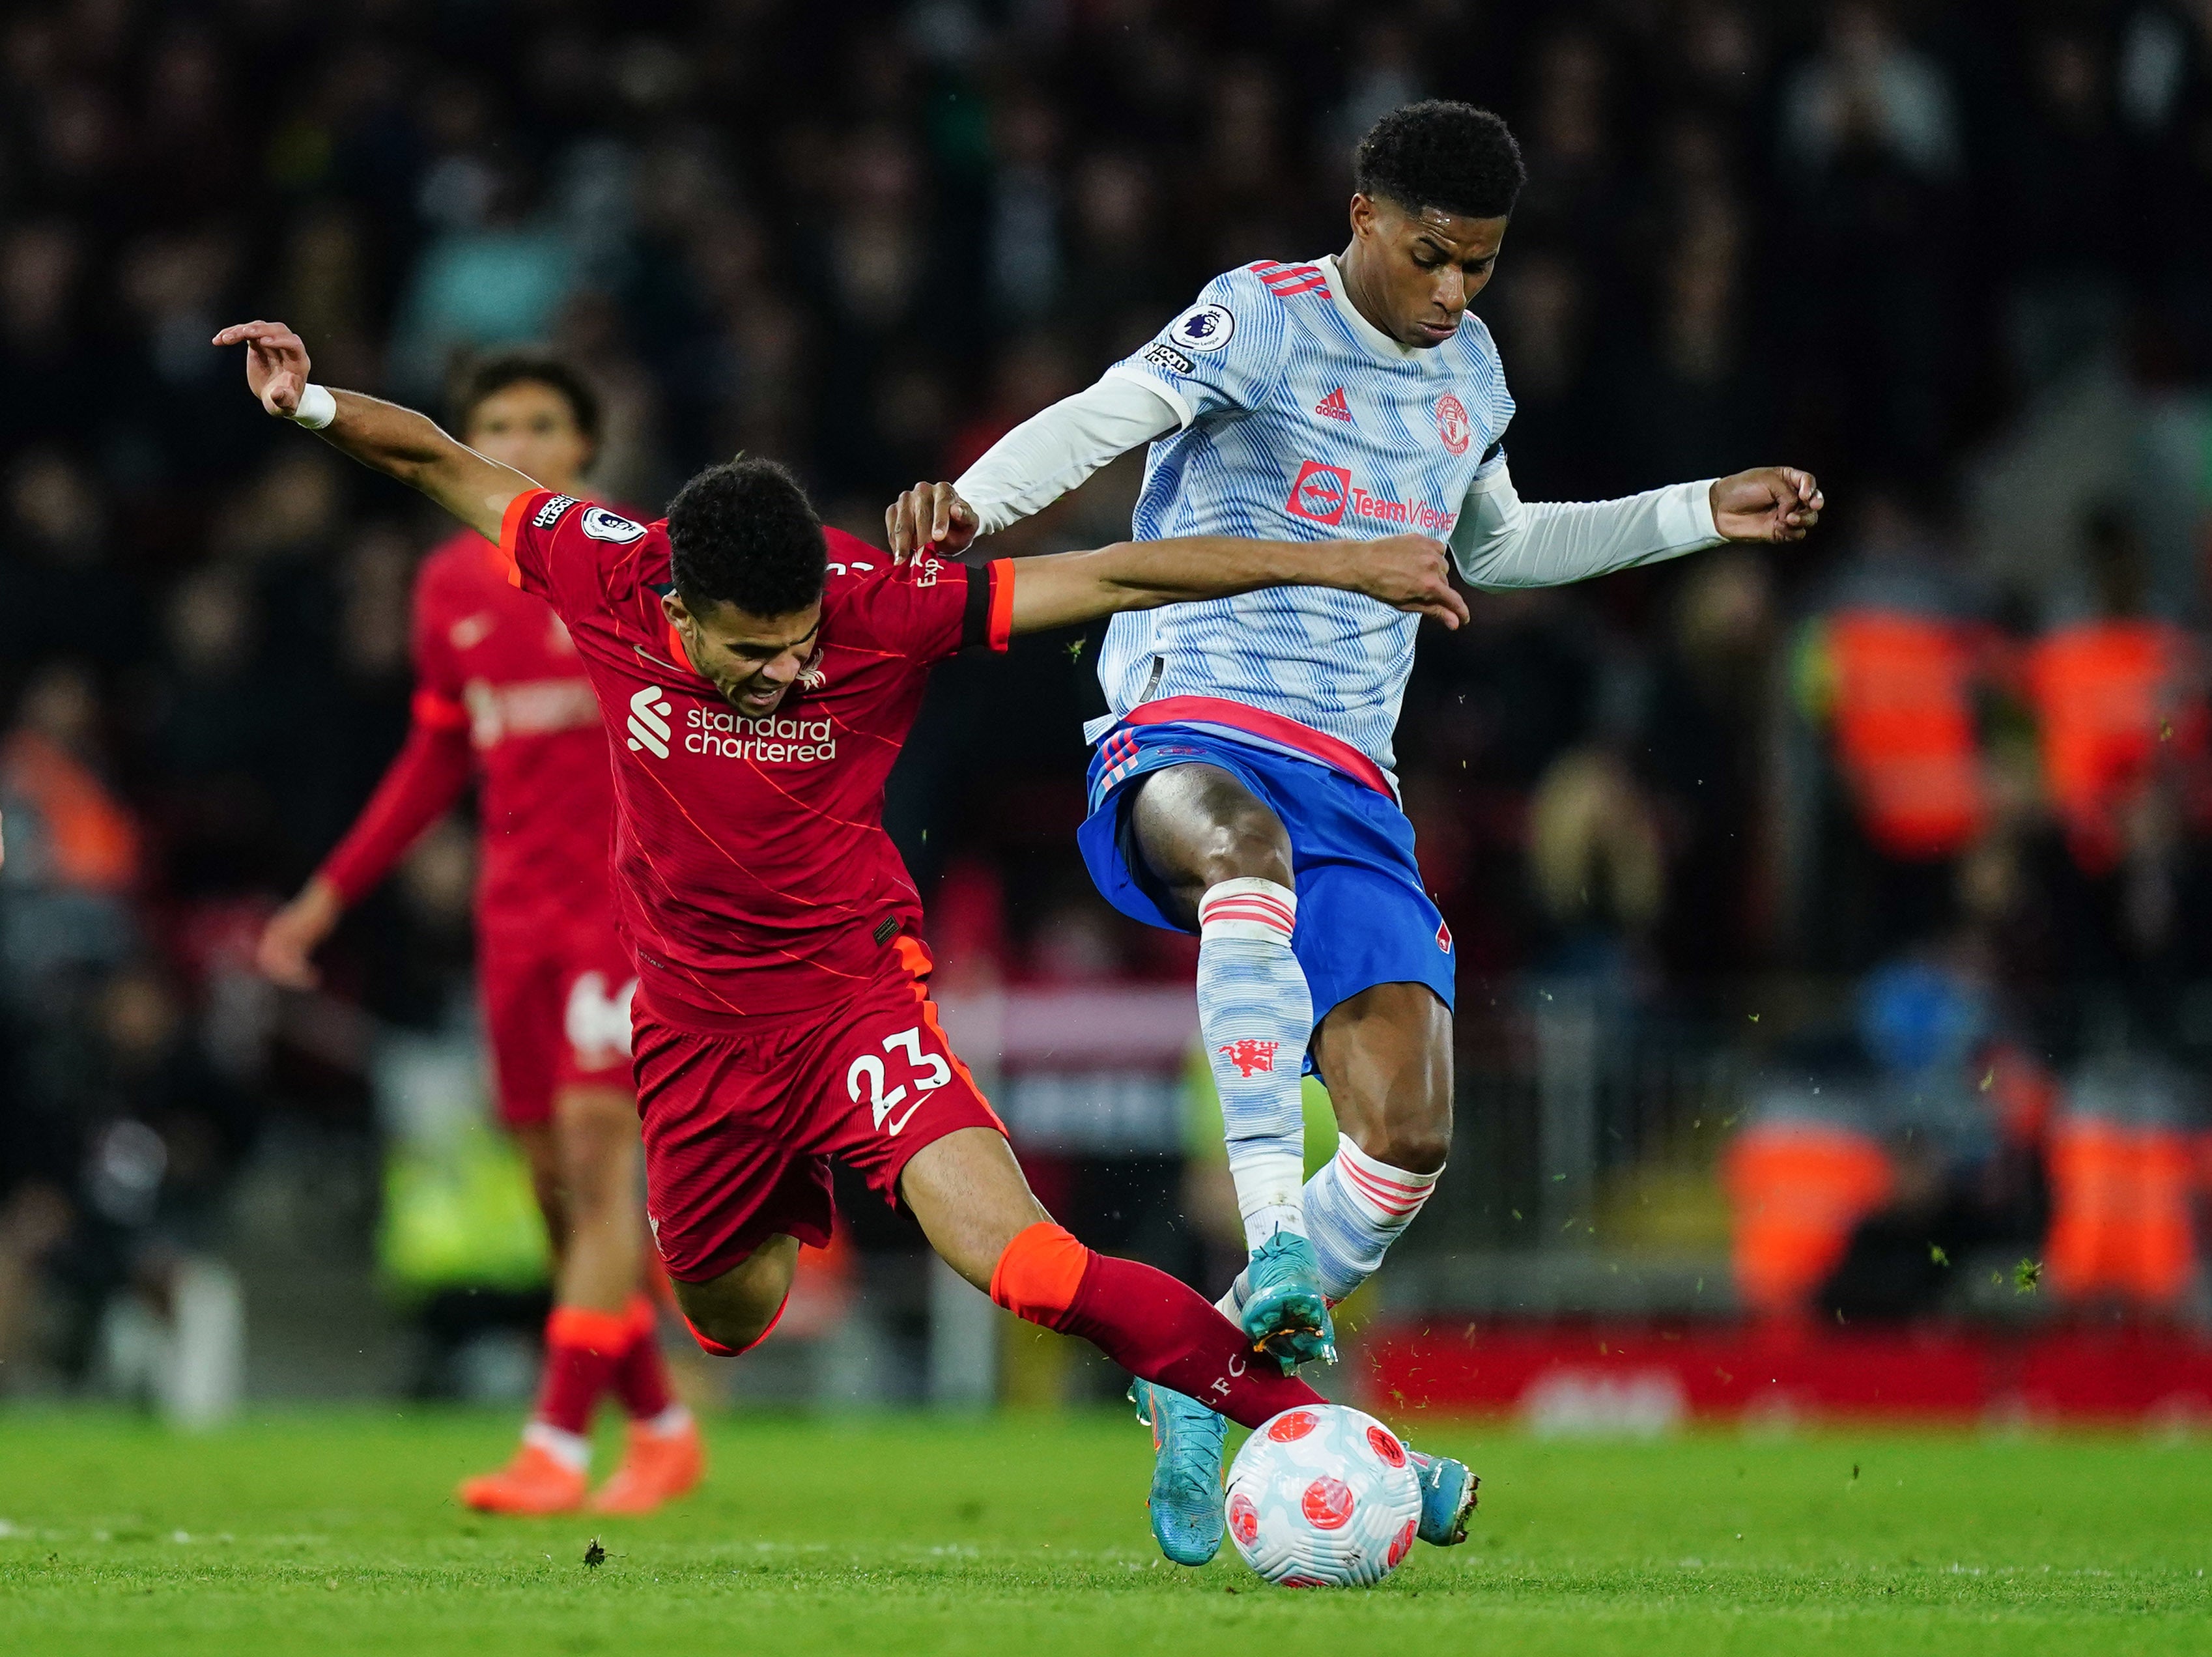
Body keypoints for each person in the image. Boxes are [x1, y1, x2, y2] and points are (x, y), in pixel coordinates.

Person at [215, 317, 1487, 1550]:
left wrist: (1340, 562)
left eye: (798, 646)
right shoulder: (601, 564)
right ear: (676, 606)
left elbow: (1113, 572)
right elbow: (439, 459)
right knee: (727, 1309)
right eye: (751, 654)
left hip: (851, 1003)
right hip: (696, 1031)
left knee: (1033, 1265)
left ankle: (1349, 1444)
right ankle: (782, 1191)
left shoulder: (879, 606)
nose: (784, 674)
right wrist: (309, 406)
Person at [885, 98, 1823, 1564]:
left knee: (1410, 1131)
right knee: (1239, 858)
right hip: (1187, 724)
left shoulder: (1474, 369)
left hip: (1353, 775)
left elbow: (1498, 547)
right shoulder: (1262, 318)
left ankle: (1200, 1379)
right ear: (1366, 215)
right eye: (1437, 258)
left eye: (1484, 270)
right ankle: (1265, 1249)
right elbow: (1107, 416)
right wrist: (976, 505)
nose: (1456, 294)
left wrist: (1704, 508)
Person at [255, 354, 700, 1516]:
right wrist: (329, 893)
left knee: (604, 1166)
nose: (519, 442)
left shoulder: (639, 569)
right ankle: (657, 1425)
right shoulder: (450, 582)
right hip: (515, 923)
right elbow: (435, 757)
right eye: (494, 425)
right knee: (557, 1189)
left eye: (544, 424)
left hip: (628, 914)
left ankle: (553, 1444)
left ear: (586, 450)